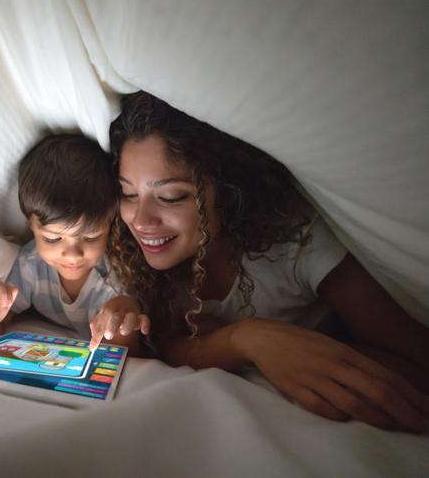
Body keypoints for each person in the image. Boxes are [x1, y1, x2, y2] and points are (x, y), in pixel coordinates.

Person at [105, 91, 429, 432]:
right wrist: (248, 340)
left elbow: (417, 361)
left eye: (171, 197)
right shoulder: (130, 252)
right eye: (128, 194)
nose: (140, 221)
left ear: (226, 189)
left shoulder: (294, 241)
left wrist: (291, 348)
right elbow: (164, 347)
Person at [0, 134, 149, 352]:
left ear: (110, 224)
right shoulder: (30, 265)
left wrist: (120, 323)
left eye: (91, 237)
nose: (72, 255)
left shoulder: (116, 272)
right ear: (30, 226)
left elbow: (126, 351)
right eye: (52, 239)